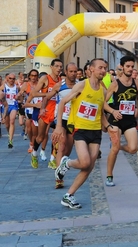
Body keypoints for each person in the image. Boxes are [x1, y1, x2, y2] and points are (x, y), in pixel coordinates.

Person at [52, 58, 109, 209]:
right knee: (85, 162)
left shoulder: (103, 90)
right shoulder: (82, 85)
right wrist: (58, 126)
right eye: (100, 68)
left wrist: (109, 127)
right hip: (80, 129)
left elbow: (100, 112)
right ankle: (67, 163)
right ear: (91, 69)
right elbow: (63, 102)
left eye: (105, 68)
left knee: (89, 167)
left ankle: (68, 195)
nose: (103, 70)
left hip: (95, 131)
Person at [103, 56, 138, 187]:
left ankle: (117, 146)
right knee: (114, 149)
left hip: (130, 119)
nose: (130, 69)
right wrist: (113, 111)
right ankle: (109, 176)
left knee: (133, 148)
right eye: (128, 66)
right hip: (116, 120)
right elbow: (103, 103)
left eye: (132, 66)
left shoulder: (137, 82)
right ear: (122, 67)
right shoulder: (115, 83)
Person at [43, 63, 78, 180]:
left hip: (74, 120)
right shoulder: (59, 85)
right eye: (71, 71)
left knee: (68, 150)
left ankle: (62, 165)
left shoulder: (80, 85)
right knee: (61, 145)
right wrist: (43, 108)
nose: (73, 74)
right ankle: (58, 177)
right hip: (62, 119)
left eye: (75, 71)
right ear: (66, 72)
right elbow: (47, 97)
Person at [30, 59, 63, 168]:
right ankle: (34, 153)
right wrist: (48, 94)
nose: (59, 69)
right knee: (40, 137)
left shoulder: (61, 80)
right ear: (51, 67)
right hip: (46, 110)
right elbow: (34, 93)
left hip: (57, 111)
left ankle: (52, 159)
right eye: (57, 66)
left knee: (57, 136)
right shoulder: (45, 79)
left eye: (60, 67)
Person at [0, 73, 20, 148]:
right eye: (10, 78)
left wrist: (19, 100)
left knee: (12, 121)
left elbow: (21, 96)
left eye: (13, 78)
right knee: (7, 124)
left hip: (13, 106)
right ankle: (10, 134)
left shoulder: (17, 87)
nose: (12, 80)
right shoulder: (3, 86)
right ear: (7, 79)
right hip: (5, 106)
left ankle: (10, 140)